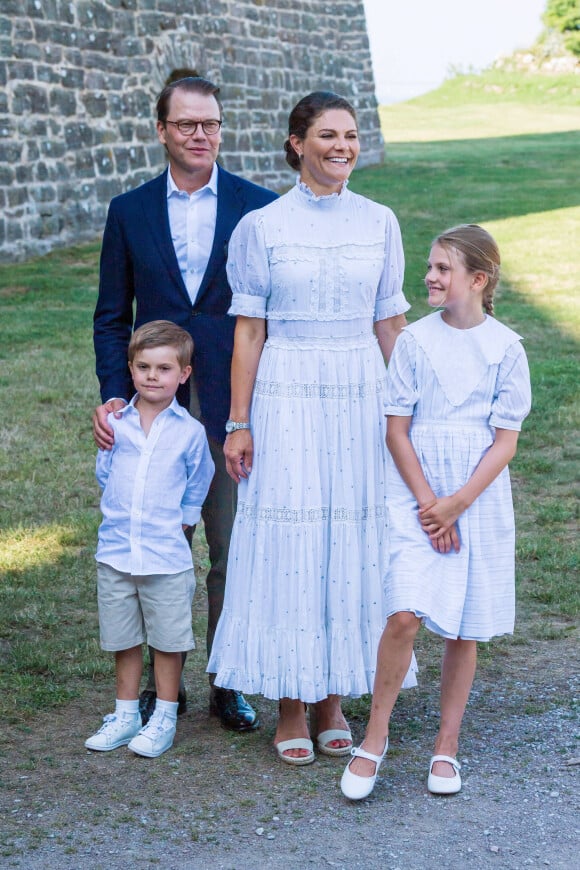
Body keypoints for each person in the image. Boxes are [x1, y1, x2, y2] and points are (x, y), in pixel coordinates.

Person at [207, 91, 417, 766]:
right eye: (329, 135)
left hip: (360, 387)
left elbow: (391, 323)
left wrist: (410, 408)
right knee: (291, 535)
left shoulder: (380, 221)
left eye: (351, 136)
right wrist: (239, 421)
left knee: (351, 535)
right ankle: (292, 702)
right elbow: (248, 331)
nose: (344, 147)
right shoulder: (262, 226)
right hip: (288, 388)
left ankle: (335, 697)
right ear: (297, 143)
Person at [92, 75, 277, 731]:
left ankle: (227, 678)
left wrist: (255, 410)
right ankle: (152, 684)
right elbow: (112, 316)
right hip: (155, 408)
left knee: (230, 545)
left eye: (212, 124)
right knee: (157, 542)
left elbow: (272, 315)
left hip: (235, 402)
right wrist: (116, 395)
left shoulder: (259, 208)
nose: (202, 135)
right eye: (188, 124)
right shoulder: (130, 210)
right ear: (163, 129)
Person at [340, 224, 532, 799]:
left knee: (464, 625)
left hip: (474, 496)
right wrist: (430, 506)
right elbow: (396, 430)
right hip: (415, 492)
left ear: (478, 279)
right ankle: (373, 739)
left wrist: (457, 505)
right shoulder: (415, 343)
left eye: (444, 269)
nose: (429, 276)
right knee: (405, 613)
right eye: (429, 266)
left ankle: (445, 746)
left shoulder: (506, 349)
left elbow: (505, 441)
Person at [85, 321, 215, 757]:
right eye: (143, 367)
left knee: (167, 640)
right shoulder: (116, 424)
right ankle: (125, 715)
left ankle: (163, 715)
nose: (152, 376)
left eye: (163, 368)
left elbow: (199, 479)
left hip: (165, 557)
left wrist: (185, 519)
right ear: (131, 368)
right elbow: (106, 475)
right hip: (118, 551)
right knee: (123, 638)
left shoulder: (189, 432)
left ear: (184, 374)